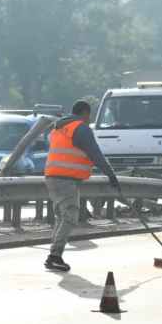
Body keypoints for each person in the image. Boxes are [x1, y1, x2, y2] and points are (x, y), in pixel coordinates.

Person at [43, 100, 120, 272]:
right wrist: (111, 175)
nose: (89, 118)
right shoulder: (81, 128)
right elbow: (95, 154)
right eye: (89, 114)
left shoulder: (59, 127)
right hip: (65, 179)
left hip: (51, 177)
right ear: (85, 112)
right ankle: (55, 256)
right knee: (70, 216)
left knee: (62, 217)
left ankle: (53, 254)